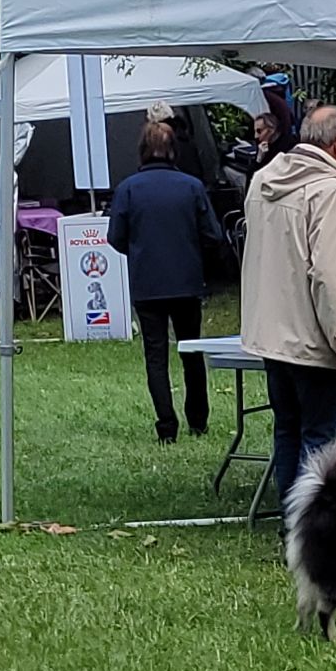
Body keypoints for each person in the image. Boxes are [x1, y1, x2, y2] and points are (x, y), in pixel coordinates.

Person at [240, 106, 336, 507]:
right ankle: (314, 528)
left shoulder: (263, 180)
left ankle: (291, 522)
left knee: (287, 429)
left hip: (270, 336)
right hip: (314, 341)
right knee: (319, 437)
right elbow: (333, 277)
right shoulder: (331, 191)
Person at [107, 122, 222, 444]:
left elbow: (115, 236)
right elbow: (212, 234)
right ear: (174, 150)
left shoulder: (128, 189)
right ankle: (198, 420)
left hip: (147, 282)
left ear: (142, 150)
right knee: (191, 350)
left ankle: (166, 426)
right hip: (186, 280)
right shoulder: (191, 186)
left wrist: (139, 251)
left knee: (155, 356)